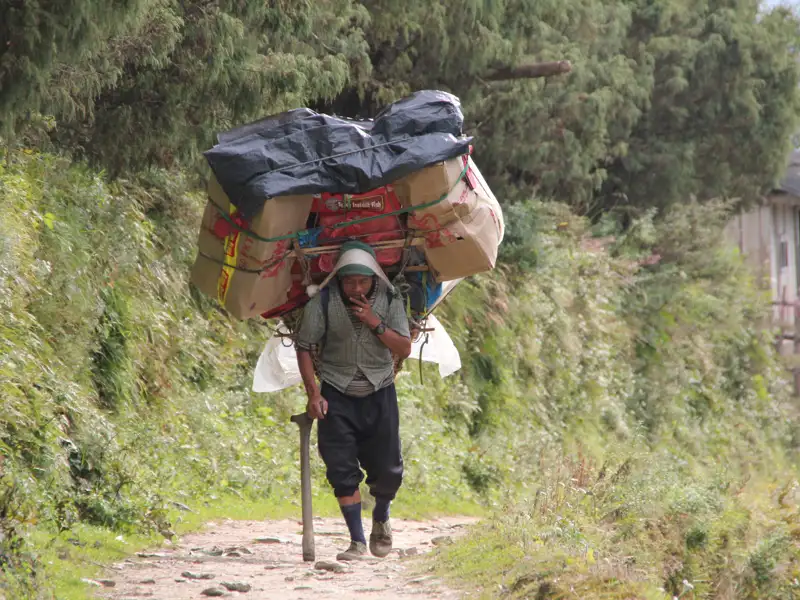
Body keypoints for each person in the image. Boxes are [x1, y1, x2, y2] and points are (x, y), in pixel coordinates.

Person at [295, 240, 412, 561]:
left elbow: (403, 347)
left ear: (375, 278)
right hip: (336, 393)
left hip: (380, 391)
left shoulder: (390, 301)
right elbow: (304, 345)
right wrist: (313, 393)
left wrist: (376, 323)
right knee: (340, 468)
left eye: (362, 281)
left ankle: (381, 519)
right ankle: (357, 542)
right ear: (339, 279)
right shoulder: (322, 303)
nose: (355, 287)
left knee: (388, 470)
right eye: (349, 281)